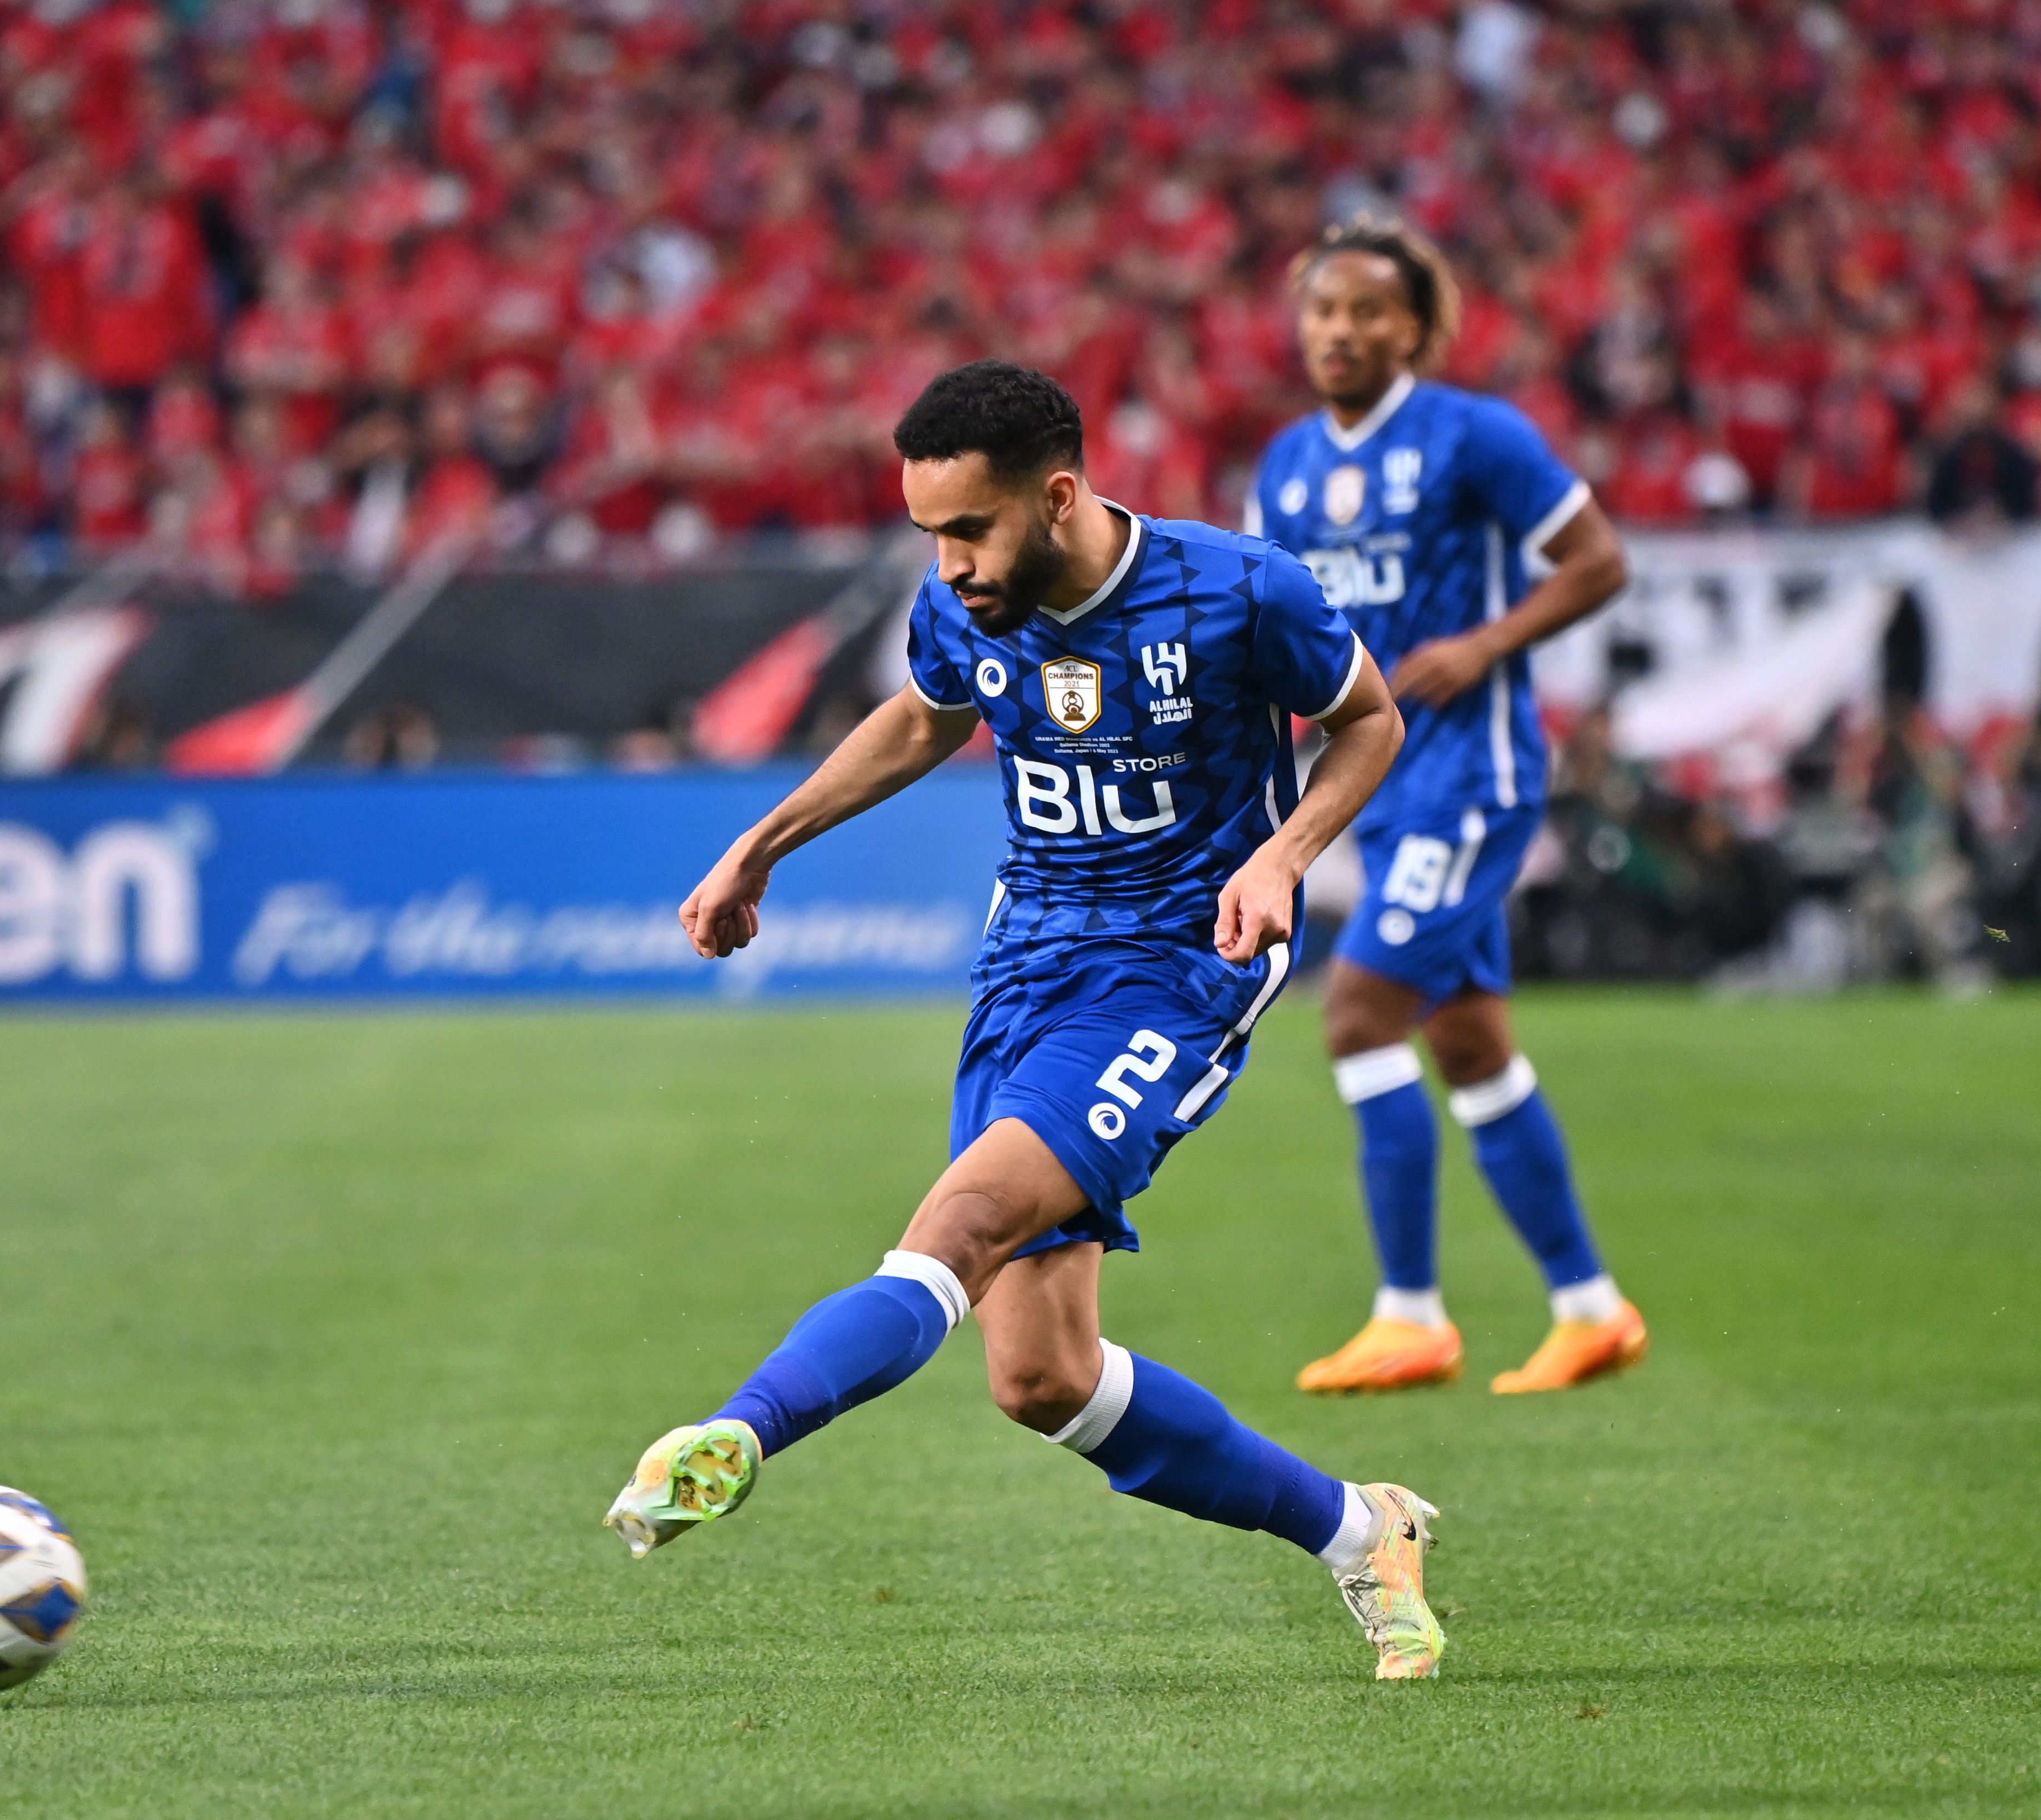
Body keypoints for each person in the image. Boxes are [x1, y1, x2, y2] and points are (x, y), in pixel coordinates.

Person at [608, 361, 1448, 1681]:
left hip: (1179, 968)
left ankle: (739, 1431)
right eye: (928, 533)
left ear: (1057, 498)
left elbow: (1370, 721)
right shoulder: (966, 603)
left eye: (968, 529)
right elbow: (922, 718)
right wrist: (760, 846)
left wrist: (1284, 856)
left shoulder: (1239, 590)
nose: (948, 564)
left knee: (960, 1227)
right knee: (1042, 1377)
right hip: (1028, 966)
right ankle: (1362, 1531)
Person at [1241, 217, 1645, 1398]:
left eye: (1368, 311)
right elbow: (1272, 626)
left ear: (1414, 328)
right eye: (1324, 310)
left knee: (1359, 1013)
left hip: (1473, 778)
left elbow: (1599, 561)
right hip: (1380, 786)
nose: (1341, 331)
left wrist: (1484, 644)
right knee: (1469, 1044)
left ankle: (1410, 1313)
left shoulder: (1476, 435)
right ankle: (1591, 1309)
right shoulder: (1286, 465)